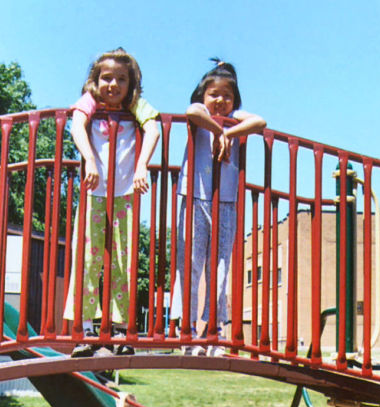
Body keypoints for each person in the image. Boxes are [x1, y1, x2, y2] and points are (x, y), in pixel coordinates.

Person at [63, 48, 160, 356]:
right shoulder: (91, 103)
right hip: (95, 191)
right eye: (107, 78)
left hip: (125, 194)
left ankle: (120, 330)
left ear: (131, 84)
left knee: (124, 261)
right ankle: (86, 329)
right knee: (87, 260)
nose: (113, 85)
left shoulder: (134, 106)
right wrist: (89, 159)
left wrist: (142, 165)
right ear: (96, 80)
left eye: (121, 79)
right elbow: (77, 125)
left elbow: (154, 128)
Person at [170, 59, 266, 356]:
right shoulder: (199, 117)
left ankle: (212, 330)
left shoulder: (236, 119)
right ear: (203, 94)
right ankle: (186, 329)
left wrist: (229, 133)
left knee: (221, 267)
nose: (221, 101)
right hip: (194, 196)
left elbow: (260, 122)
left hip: (226, 201)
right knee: (191, 263)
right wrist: (217, 129)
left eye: (227, 95)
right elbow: (191, 110)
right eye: (214, 94)